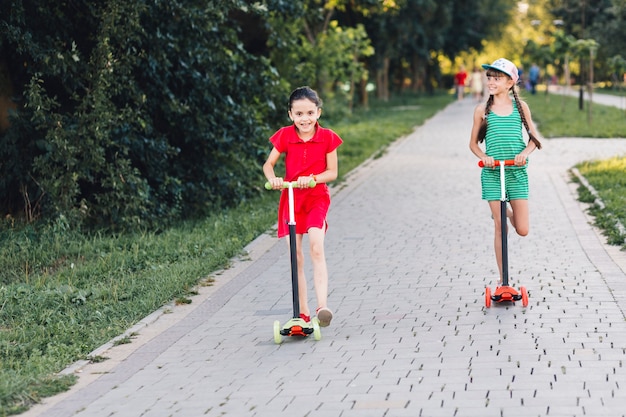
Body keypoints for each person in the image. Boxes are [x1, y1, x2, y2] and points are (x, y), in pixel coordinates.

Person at [263, 86, 343, 327]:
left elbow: (333, 172)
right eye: (299, 114)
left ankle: (322, 307)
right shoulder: (285, 135)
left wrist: (313, 179)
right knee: (295, 256)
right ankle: (303, 313)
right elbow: (269, 164)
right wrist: (273, 179)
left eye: (309, 113)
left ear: (318, 112)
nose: (304, 119)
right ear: (291, 115)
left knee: (316, 247)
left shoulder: (328, 137)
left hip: (316, 197)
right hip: (291, 199)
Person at [469, 58, 543, 285]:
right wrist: (485, 158)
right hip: (493, 174)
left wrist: (524, 154)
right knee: (500, 228)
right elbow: (473, 144)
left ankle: (507, 213)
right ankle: (503, 280)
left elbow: (534, 140)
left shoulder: (521, 108)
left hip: (516, 173)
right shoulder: (482, 110)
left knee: (522, 229)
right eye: (489, 77)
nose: (491, 82)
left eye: (496, 78)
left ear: (510, 83)